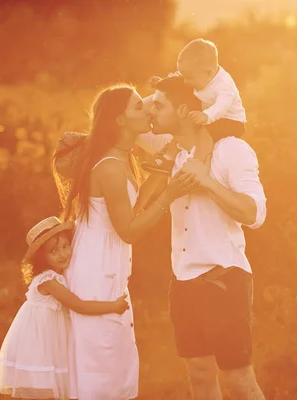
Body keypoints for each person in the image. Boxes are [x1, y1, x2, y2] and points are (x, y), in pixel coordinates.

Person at [52, 84, 194, 400]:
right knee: (100, 369)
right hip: (95, 274)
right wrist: (170, 195)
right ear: (119, 120)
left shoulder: (119, 160)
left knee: (112, 363)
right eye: (138, 108)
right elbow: (128, 230)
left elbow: (134, 206)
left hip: (106, 271)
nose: (147, 112)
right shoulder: (112, 167)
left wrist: (163, 171)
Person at [148, 75, 267, 400]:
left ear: (184, 111)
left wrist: (209, 184)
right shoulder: (166, 150)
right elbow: (131, 113)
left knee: (239, 380)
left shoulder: (232, 150)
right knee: (199, 376)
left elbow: (255, 214)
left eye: (159, 105)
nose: (151, 111)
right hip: (183, 283)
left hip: (224, 281)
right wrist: (170, 82)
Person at [0, 216, 129, 400]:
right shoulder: (49, 281)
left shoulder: (58, 275)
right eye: (54, 251)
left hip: (51, 340)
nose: (63, 254)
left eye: (65, 246)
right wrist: (113, 306)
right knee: (43, 389)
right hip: (40, 344)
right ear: (42, 258)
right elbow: (78, 305)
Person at [143, 38, 246, 175]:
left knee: (204, 134)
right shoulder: (200, 76)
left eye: (188, 77)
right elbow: (179, 83)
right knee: (179, 137)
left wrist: (207, 116)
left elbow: (222, 106)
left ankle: (198, 165)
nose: (185, 81)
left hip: (230, 120)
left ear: (208, 73)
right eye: (184, 75)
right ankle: (168, 160)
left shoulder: (224, 86)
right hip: (211, 115)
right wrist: (162, 83)